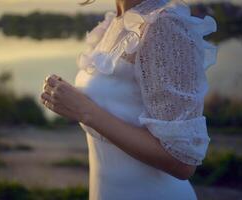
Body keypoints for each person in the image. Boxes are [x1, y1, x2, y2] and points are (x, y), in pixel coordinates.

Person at [40, 0, 218, 199]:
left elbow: (182, 162)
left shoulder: (163, 25)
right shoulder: (115, 22)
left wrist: (85, 111)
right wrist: (72, 99)